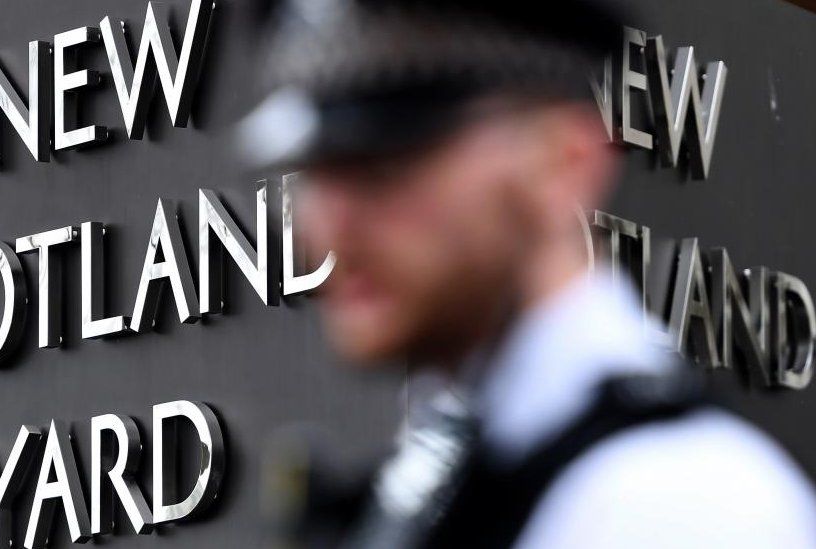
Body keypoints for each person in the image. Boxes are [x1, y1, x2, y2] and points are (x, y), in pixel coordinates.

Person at [239, 1, 816, 547]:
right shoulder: (453, 488)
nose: (325, 229)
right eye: (314, 174)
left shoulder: (679, 508)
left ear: (566, 161)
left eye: (383, 166)